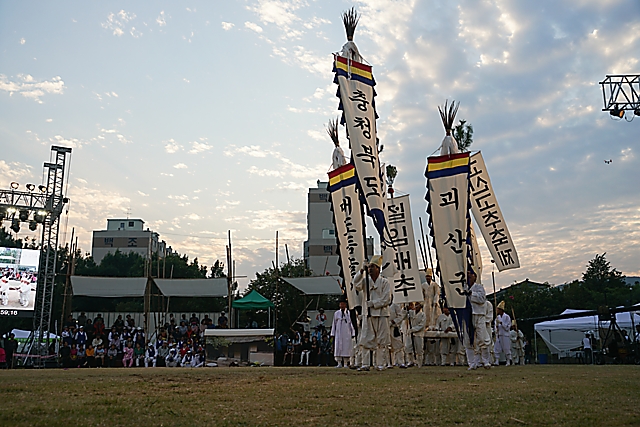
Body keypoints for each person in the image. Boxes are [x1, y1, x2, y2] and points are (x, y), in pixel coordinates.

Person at [353, 255, 391, 371]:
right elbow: (355, 283)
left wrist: (373, 303)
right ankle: (365, 364)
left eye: (372, 267)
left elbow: (387, 299)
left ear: (378, 269)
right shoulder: (365, 281)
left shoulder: (385, 282)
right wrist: (361, 270)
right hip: (368, 314)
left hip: (381, 314)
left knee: (382, 340)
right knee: (365, 339)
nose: (370, 269)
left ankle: (380, 364)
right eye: (369, 267)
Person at [462, 267, 491, 370]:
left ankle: (486, 361)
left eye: (471, 274)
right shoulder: (463, 287)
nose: (469, 276)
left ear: (475, 276)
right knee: (468, 340)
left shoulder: (479, 287)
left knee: (483, 339)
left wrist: (470, 293)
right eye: (467, 274)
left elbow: (482, 299)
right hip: (467, 315)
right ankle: (472, 363)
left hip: (479, 315)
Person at [331, 296, 355, 368]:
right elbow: (334, 324)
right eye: (341, 304)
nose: (342, 305)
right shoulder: (336, 313)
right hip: (339, 333)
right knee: (338, 347)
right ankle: (339, 362)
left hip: (346, 333)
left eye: (343, 304)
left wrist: (353, 333)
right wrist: (333, 333)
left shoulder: (349, 313)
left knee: (346, 347)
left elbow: (351, 323)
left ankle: (345, 363)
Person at [403, 302, 427, 368]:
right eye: (415, 305)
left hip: (418, 334)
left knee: (419, 349)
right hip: (410, 333)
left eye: (417, 305)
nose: (416, 307)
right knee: (408, 348)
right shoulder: (411, 312)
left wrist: (413, 329)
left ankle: (419, 363)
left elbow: (421, 325)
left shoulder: (422, 315)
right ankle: (410, 361)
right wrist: (405, 309)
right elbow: (403, 316)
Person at [494, 301, 512, 366]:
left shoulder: (507, 317)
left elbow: (507, 327)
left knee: (506, 348)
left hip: (505, 335)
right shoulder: (497, 318)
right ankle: (497, 360)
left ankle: (508, 360)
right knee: (497, 348)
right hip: (499, 334)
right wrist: (496, 327)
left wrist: (502, 323)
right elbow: (495, 327)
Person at [389, 300, 405, 368]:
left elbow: (400, 316)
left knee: (398, 346)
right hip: (385, 328)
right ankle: (388, 363)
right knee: (386, 346)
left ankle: (400, 362)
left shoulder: (395, 305)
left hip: (394, 328)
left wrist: (393, 322)